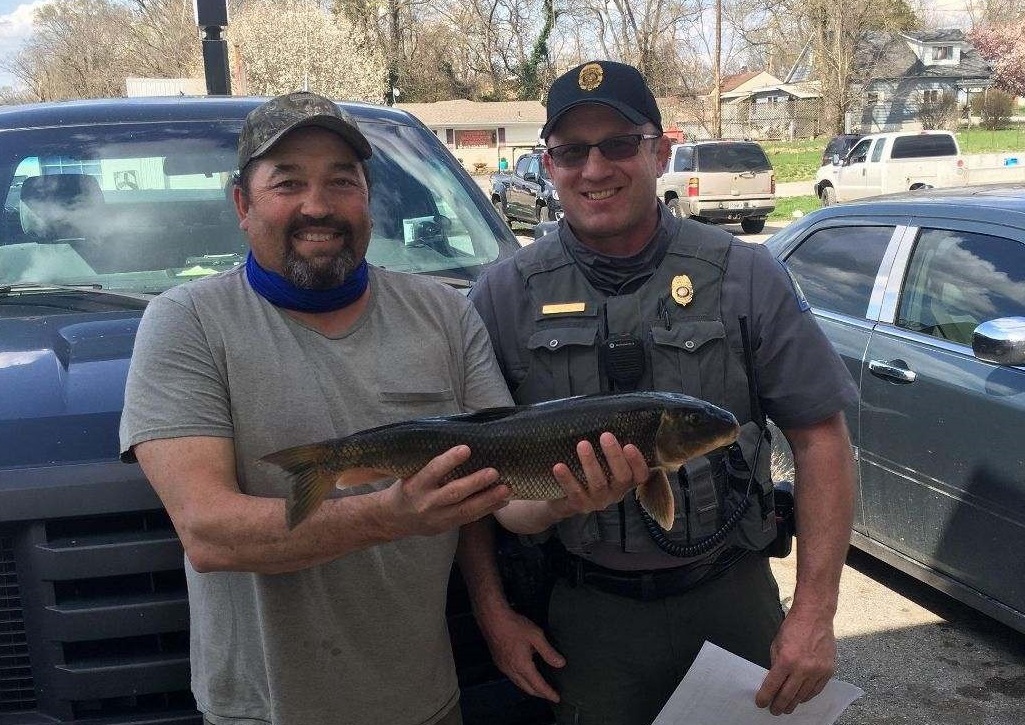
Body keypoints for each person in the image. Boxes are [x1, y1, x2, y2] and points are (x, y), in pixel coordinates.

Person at [118, 91, 535, 725]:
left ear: (368, 198)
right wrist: (393, 514)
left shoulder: (447, 315)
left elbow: (479, 487)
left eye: (342, 182)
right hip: (264, 711)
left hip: (426, 701)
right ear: (242, 204)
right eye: (288, 183)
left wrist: (493, 610)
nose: (318, 206)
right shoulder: (186, 323)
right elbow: (207, 531)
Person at [468, 60, 858, 724]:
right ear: (547, 164)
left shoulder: (744, 275)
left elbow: (821, 441)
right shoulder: (503, 294)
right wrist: (495, 615)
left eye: (618, 144)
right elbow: (470, 473)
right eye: (571, 151)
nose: (595, 169)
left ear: (660, 148)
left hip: (730, 599)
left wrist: (814, 614)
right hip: (588, 616)